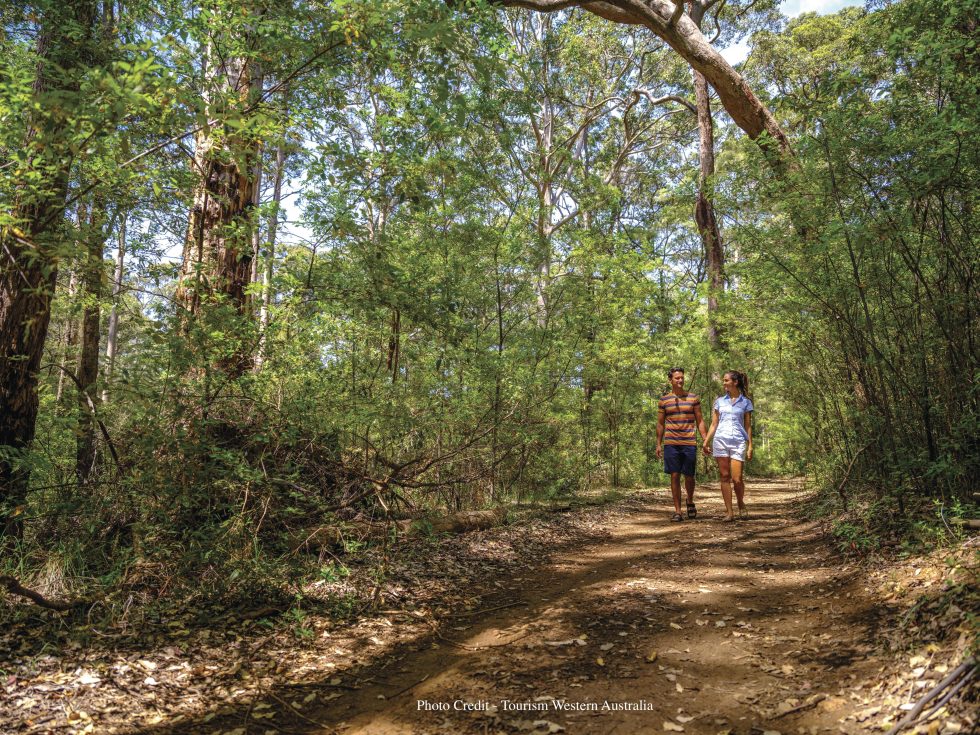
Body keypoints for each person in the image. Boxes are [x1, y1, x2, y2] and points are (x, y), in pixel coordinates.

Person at [656, 367, 708, 522]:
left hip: (689, 442)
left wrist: (705, 440)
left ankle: (690, 500)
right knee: (674, 475)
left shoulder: (693, 399)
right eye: (677, 378)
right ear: (670, 380)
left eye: (682, 378)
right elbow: (660, 424)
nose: (680, 380)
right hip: (671, 443)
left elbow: (700, 421)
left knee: (690, 476)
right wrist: (658, 444)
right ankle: (678, 511)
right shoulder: (664, 401)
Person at [702, 371, 754, 522]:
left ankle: (740, 501)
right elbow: (714, 424)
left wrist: (750, 445)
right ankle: (729, 512)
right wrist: (705, 442)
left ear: (735, 382)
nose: (724, 383)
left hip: (738, 442)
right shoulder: (719, 401)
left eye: (726, 381)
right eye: (723, 381)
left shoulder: (745, 402)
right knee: (724, 477)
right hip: (721, 441)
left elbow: (748, 426)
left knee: (737, 479)